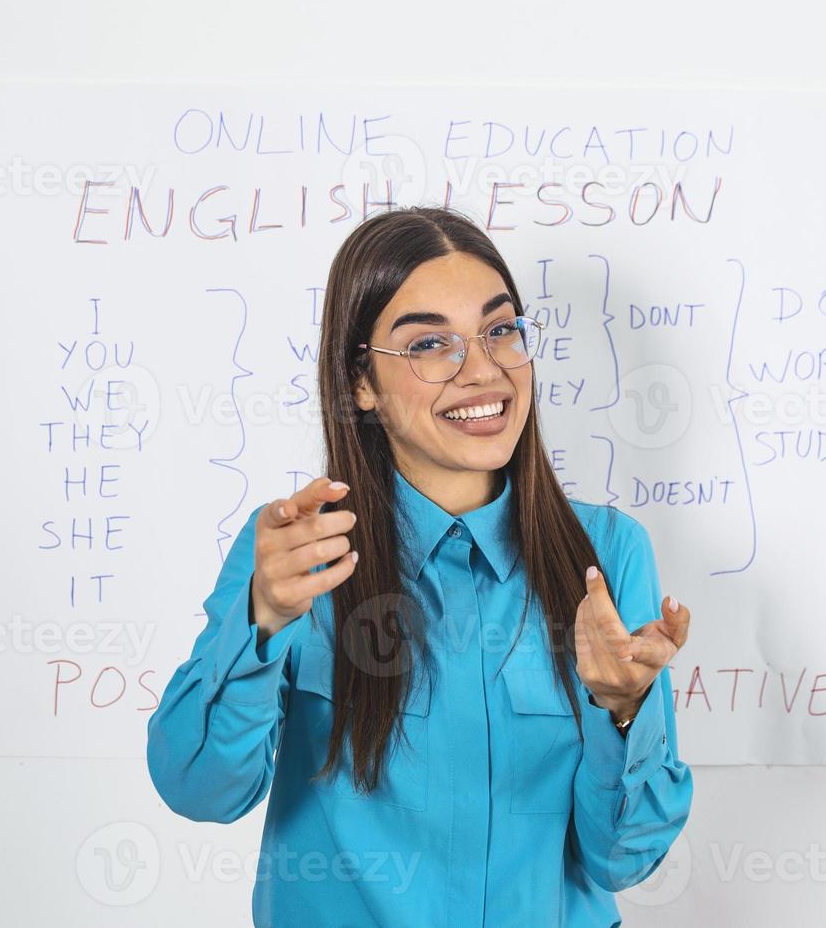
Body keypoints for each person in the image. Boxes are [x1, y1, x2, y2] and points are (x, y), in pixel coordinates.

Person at [146, 205, 694, 926]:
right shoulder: (295, 555)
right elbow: (202, 790)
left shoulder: (606, 553)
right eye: (431, 343)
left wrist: (622, 713)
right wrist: (261, 620)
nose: (484, 369)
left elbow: (620, 860)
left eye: (501, 330)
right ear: (360, 383)